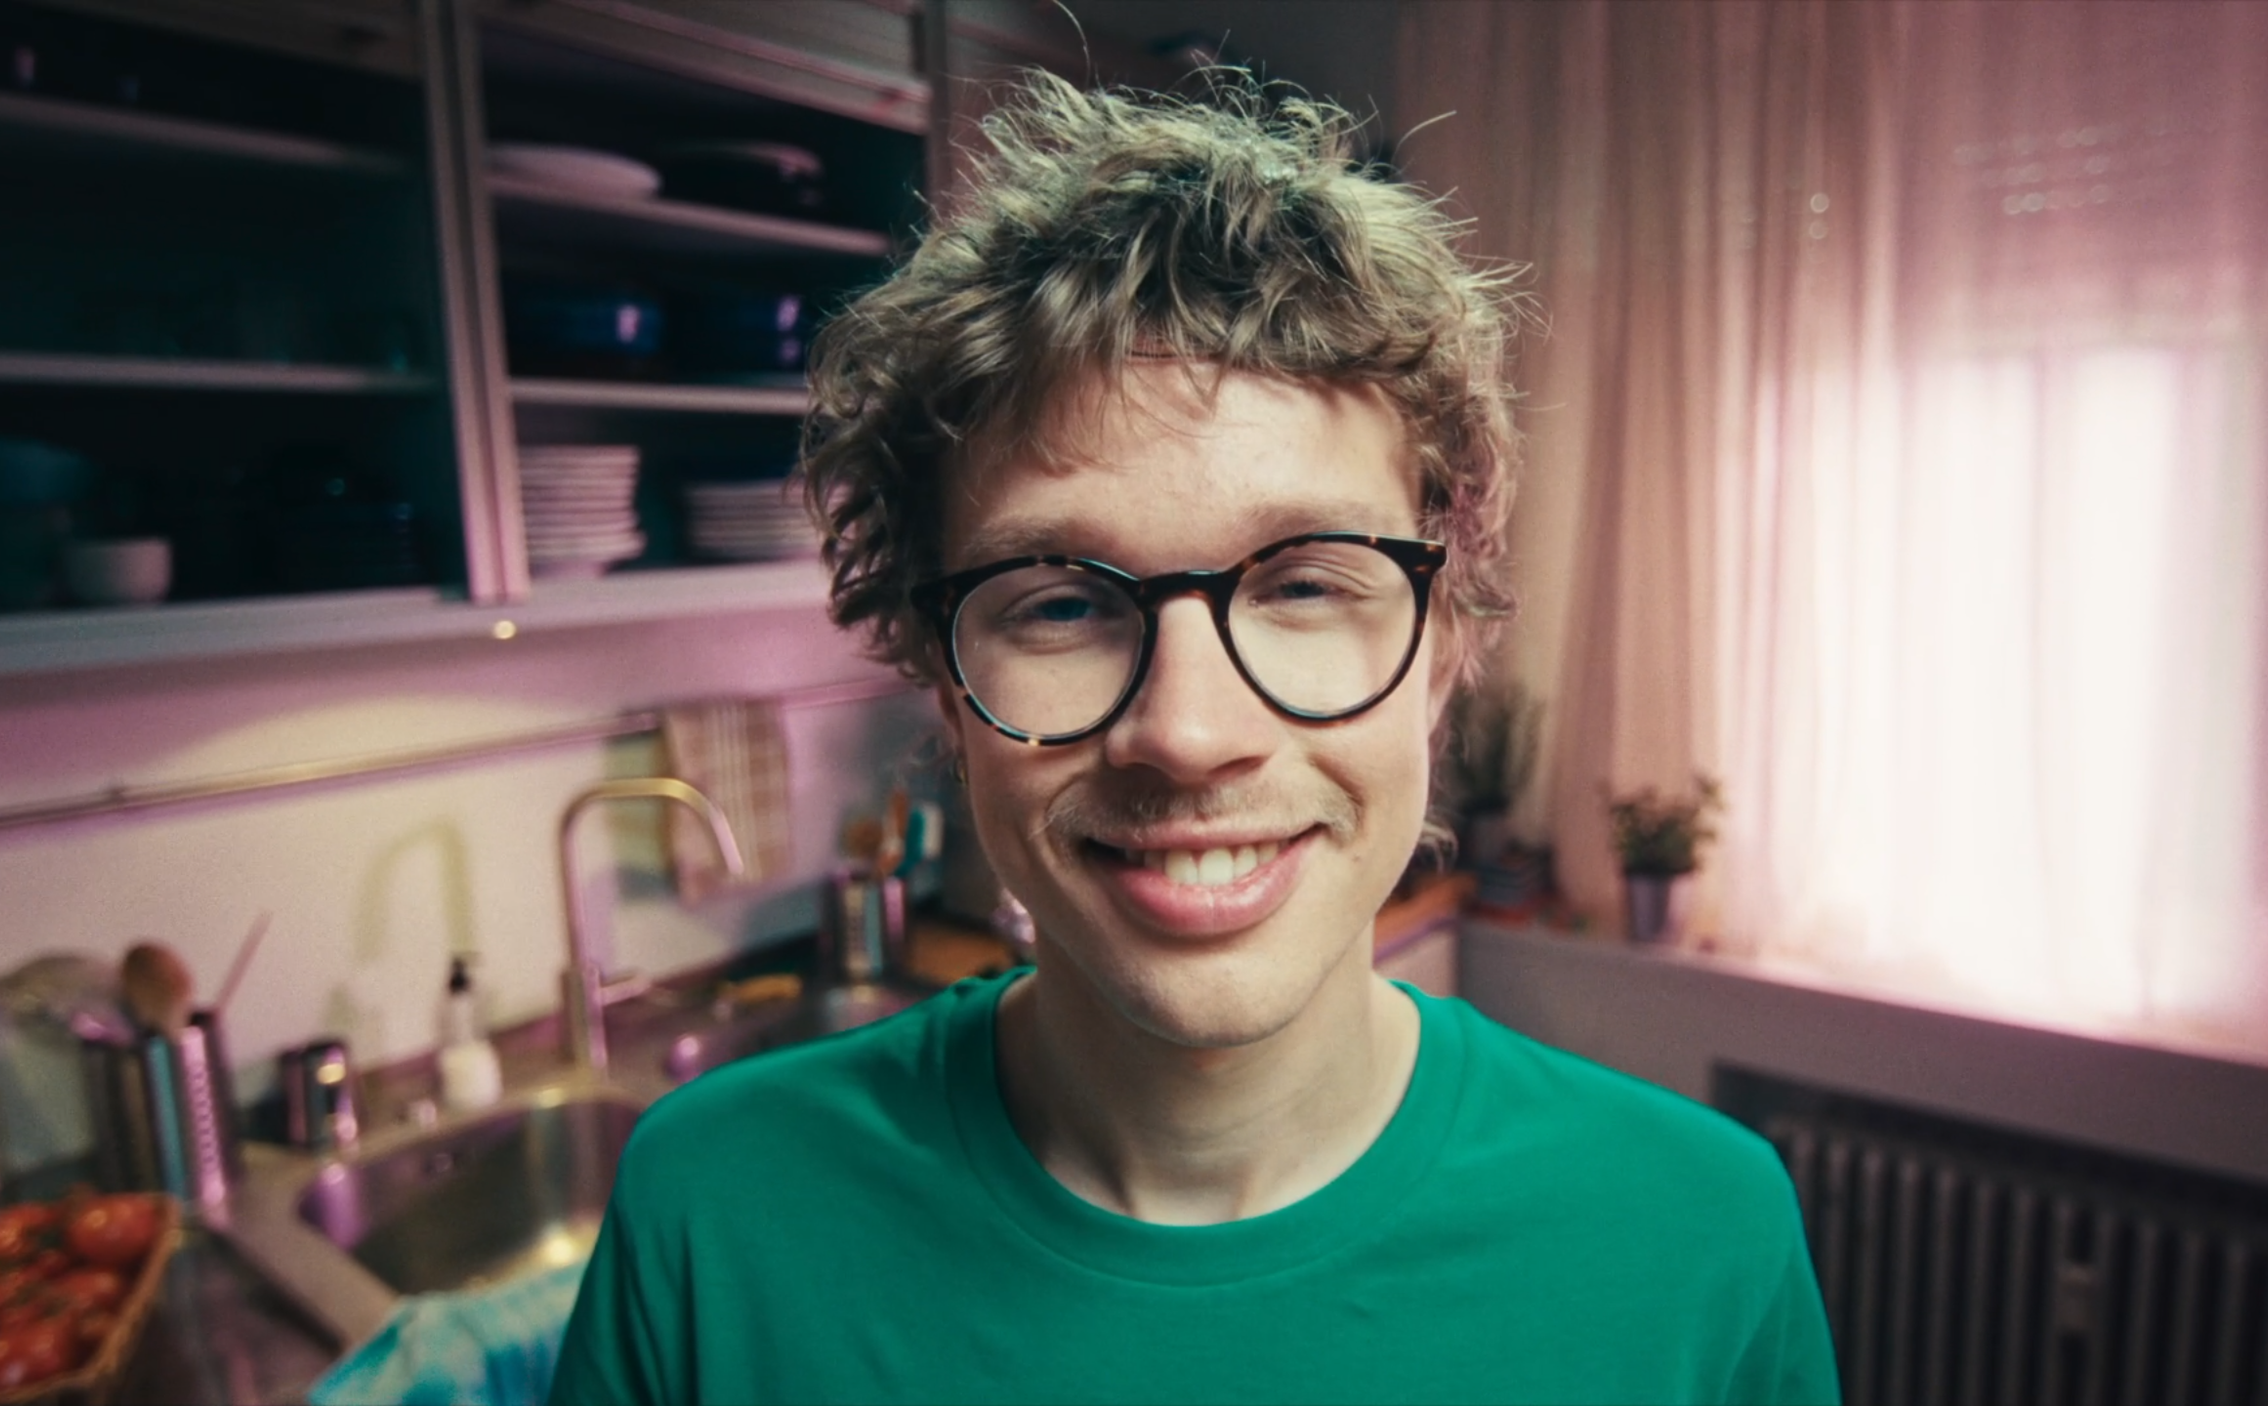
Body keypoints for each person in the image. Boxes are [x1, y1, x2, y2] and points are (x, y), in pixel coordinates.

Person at [549, 71, 1838, 1406]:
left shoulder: (1699, 1245)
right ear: (942, 684)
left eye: (1301, 582)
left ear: (1443, 645)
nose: (1186, 731)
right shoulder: (712, 1219)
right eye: (1059, 600)